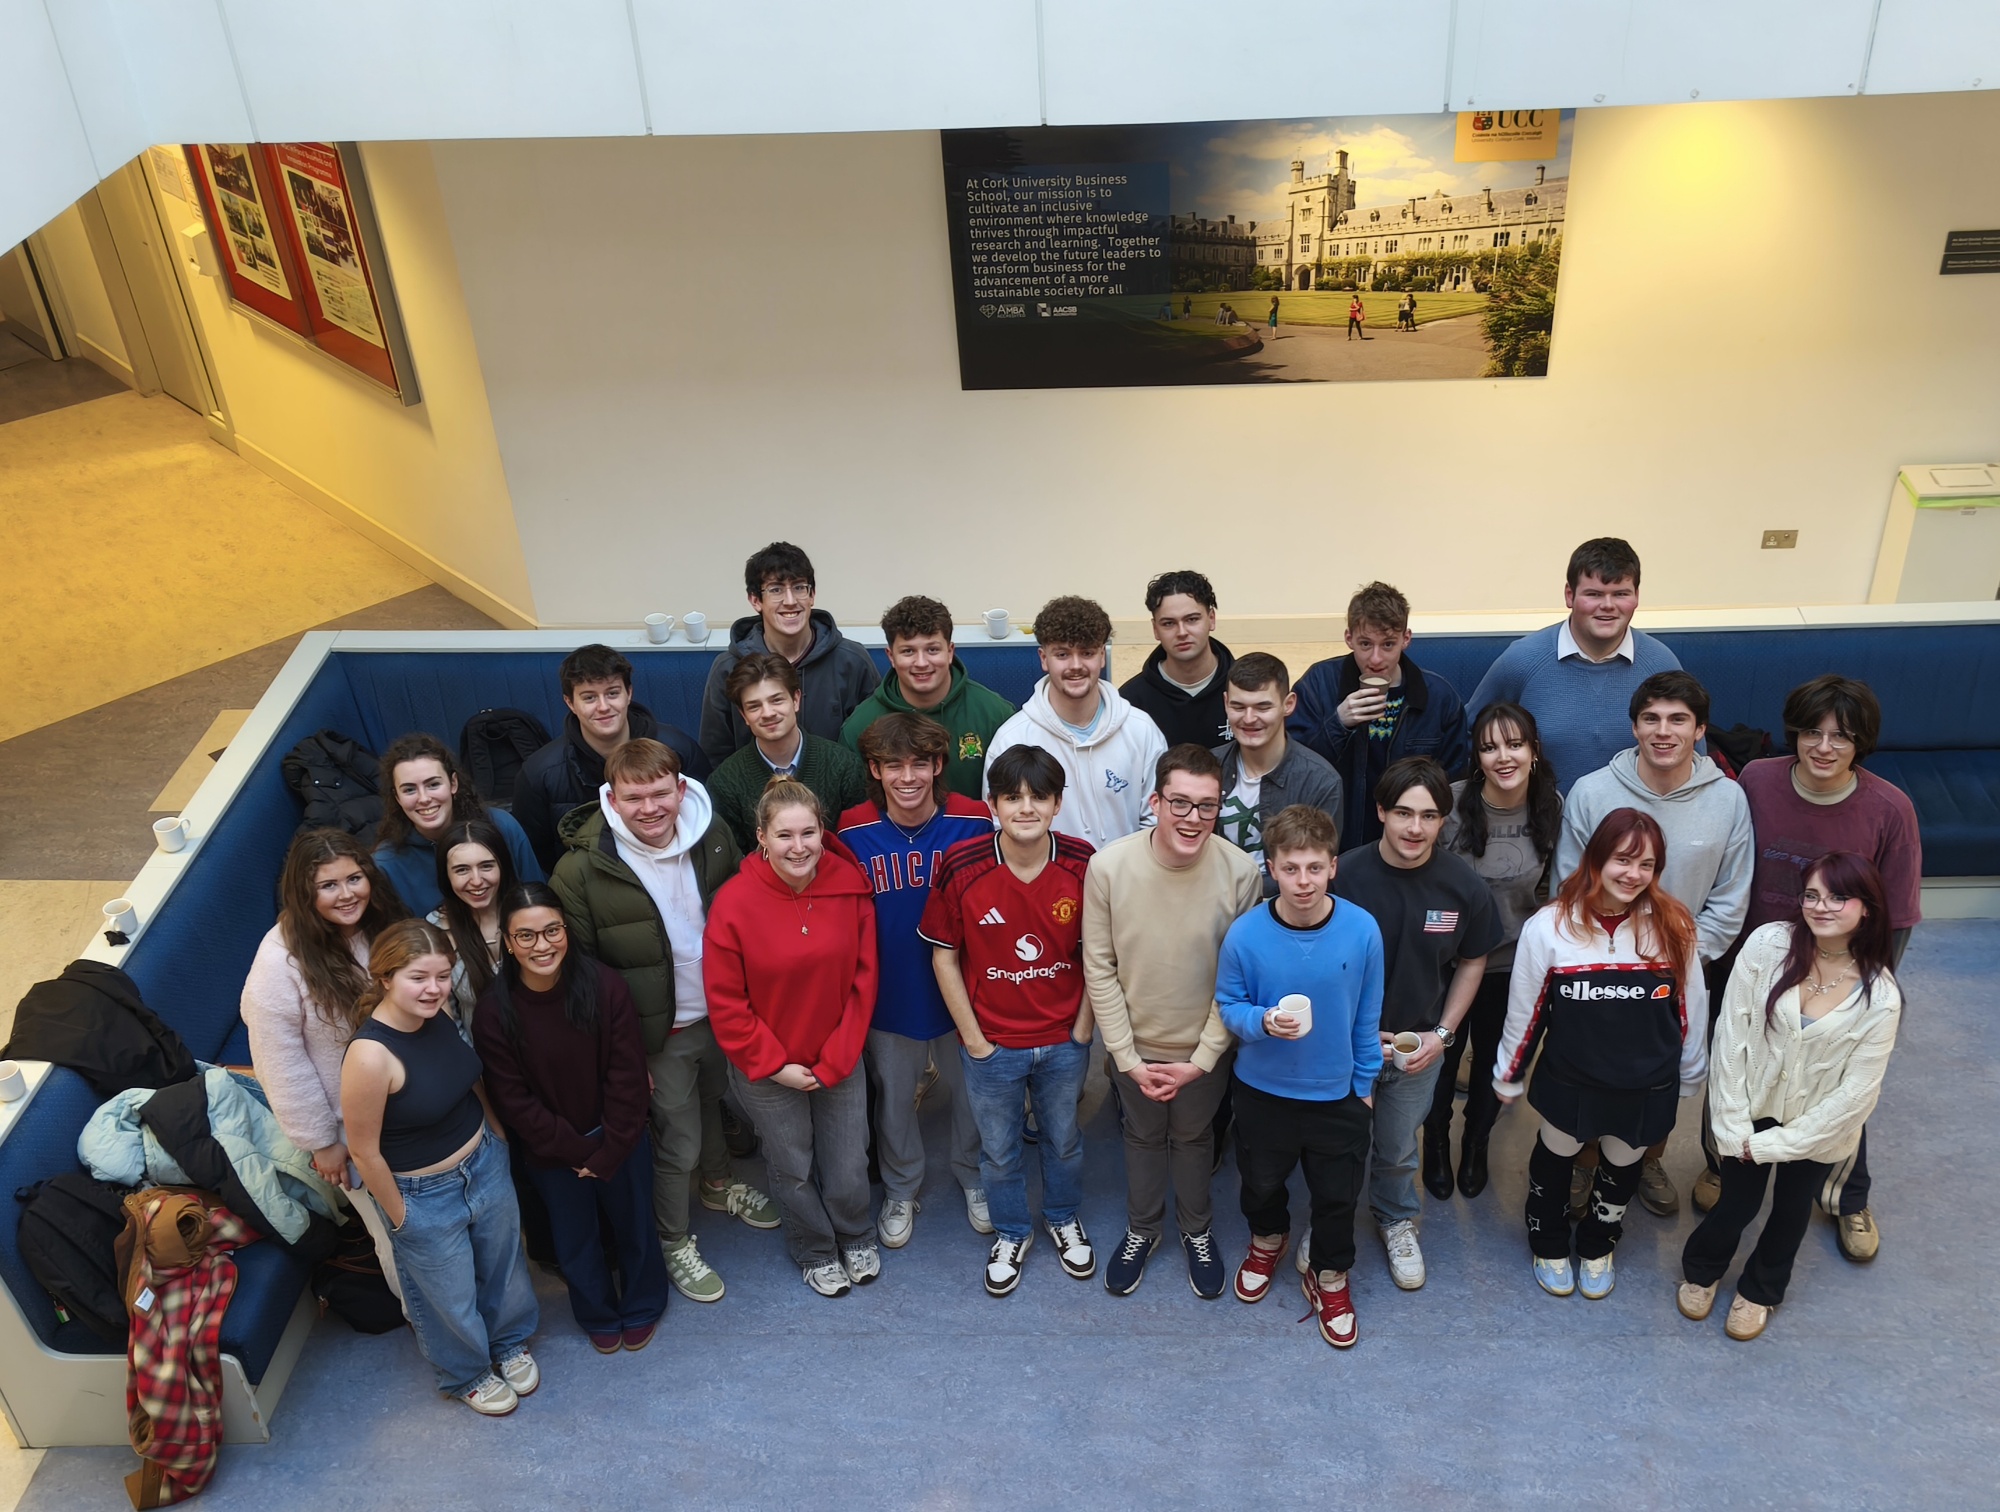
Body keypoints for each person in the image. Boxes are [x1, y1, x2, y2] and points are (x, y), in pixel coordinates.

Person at [549, 737, 777, 1306]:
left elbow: (743, 912)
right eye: (634, 798)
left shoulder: (712, 833)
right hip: (654, 1034)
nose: (649, 809)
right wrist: (620, 1056)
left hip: (721, 1013)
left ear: (680, 789)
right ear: (611, 799)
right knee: (679, 1142)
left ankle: (720, 1186)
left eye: (659, 794)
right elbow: (579, 976)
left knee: (713, 1104)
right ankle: (673, 1239)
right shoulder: (579, 869)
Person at [1721, 675, 1920, 1261]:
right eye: (1812, 732)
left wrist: (1864, 995)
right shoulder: (1757, 781)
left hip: (1840, 971)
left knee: (1834, 1086)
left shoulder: (1890, 809)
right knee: (1741, 1068)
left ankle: (1845, 1195)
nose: (1824, 747)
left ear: (1862, 743)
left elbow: (1898, 916)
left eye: (1842, 736)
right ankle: (1726, 1163)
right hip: (1758, 966)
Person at [1679, 853, 1902, 1340]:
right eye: (1812, 895)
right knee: (1737, 1204)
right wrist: (1733, 1126)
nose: (1821, 906)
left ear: (1867, 907)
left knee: (1791, 1209)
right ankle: (1701, 1268)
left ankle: (1761, 1290)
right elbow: (1731, 1036)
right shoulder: (1768, 944)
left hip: (1819, 1129)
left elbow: (1856, 1095)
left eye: (1839, 897)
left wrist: (1774, 1146)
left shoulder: (1881, 996)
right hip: (1750, 1109)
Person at [1556, 670, 1753, 1217]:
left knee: (1658, 1080)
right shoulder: (1593, 791)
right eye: (1651, 718)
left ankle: (1645, 1160)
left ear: (1700, 730)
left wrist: (1679, 962)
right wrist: (1603, 960)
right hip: (1597, 969)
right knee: (1591, 1071)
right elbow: (1569, 887)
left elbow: (1731, 898)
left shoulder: (1729, 800)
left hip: (1678, 971)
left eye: (1678, 720)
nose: (1663, 731)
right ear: (1634, 727)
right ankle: (1585, 1163)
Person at [1494, 808, 1709, 1301]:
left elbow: (1691, 1005)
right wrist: (1509, 1072)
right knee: (1557, 1156)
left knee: (1622, 1163)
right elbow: (1525, 1009)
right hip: (1571, 1078)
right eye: (1622, 860)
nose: (1633, 874)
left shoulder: (1675, 924)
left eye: (1646, 864)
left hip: (1646, 1083)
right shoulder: (1549, 926)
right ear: (1595, 859)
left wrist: (1692, 1070)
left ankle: (1598, 1244)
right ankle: (1547, 1242)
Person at [1084, 745, 1263, 1299]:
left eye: (1206, 806)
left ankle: (1196, 1229)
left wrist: (1203, 1059)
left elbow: (1238, 981)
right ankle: (1143, 1229)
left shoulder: (1240, 873)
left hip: (1203, 1049)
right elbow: (1099, 966)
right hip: (1133, 1047)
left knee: (1193, 1138)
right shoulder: (1108, 867)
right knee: (1140, 1137)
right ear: (1155, 802)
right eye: (1179, 803)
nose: (1192, 817)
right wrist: (1126, 1057)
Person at [340, 920, 539, 1416]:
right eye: (418, 978)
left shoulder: (438, 1016)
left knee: (504, 1267)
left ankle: (509, 1341)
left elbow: (468, 1079)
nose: (434, 989)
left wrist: (496, 1135)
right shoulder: (369, 1056)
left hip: (483, 1162)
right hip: (422, 1192)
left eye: (443, 976)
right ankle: (467, 1372)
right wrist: (401, 1216)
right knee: (448, 1295)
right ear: (385, 978)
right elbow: (364, 1151)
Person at [921, 745, 1098, 1297]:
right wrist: (975, 1042)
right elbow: (944, 957)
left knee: (1064, 1141)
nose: (1026, 808)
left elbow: (1100, 952)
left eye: (1039, 797)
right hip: (993, 1045)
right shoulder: (962, 864)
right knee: (998, 1151)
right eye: (1012, 797)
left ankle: (1063, 1217)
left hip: (1064, 1041)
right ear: (991, 804)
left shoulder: (1083, 862)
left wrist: (1083, 1030)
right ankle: (1012, 1231)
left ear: (1058, 804)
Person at [704, 776, 881, 1298]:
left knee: (849, 1161)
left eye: (808, 833)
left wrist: (838, 1057)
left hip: (838, 1057)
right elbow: (726, 1000)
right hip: (768, 1068)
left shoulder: (849, 887)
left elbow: (864, 980)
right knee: (792, 1167)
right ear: (761, 837)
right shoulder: (734, 903)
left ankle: (854, 1232)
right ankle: (814, 1247)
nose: (798, 847)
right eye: (784, 835)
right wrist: (774, 1065)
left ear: (823, 831)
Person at [473, 885, 668, 1354]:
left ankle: (643, 1302)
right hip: (553, 1151)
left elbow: (627, 1074)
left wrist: (609, 1148)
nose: (542, 945)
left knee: (636, 1226)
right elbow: (512, 1099)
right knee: (575, 1240)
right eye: (526, 936)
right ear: (508, 943)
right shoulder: (494, 1012)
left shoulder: (606, 986)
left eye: (552, 931)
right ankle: (597, 1313)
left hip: (619, 1137)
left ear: (566, 930)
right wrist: (577, 1151)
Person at [1215, 805, 1383, 1349]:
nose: (1303, 881)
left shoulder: (1362, 930)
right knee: (1260, 1182)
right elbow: (1228, 1004)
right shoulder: (1245, 934)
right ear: (1271, 869)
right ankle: (1269, 1239)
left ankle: (1330, 1275)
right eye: (1290, 869)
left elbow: (1367, 1016)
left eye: (1314, 867)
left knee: (1338, 1196)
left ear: (1333, 866)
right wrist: (1261, 1022)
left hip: (1339, 1093)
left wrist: (1364, 1085)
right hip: (1263, 1091)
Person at [1331, 756, 1500, 1290]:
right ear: (1381, 811)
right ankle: (1330, 1224)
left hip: (1415, 1048)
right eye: (1403, 812)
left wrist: (1443, 1035)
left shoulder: (1463, 886)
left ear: (1444, 820)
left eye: (1429, 816)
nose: (1414, 827)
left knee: (1399, 1146)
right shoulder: (1343, 875)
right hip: (1344, 1047)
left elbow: (1473, 959)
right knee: (1337, 1143)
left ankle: (1396, 1219)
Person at [836, 713, 995, 1247]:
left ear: (939, 765)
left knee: (972, 1094)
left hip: (963, 992)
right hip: (889, 992)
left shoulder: (975, 820)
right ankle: (902, 1187)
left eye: (920, 764)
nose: (908, 777)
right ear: (874, 770)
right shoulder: (851, 829)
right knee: (895, 1099)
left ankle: (973, 1175)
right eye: (894, 765)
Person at [242, 828, 411, 1293]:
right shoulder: (278, 963)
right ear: (304, 892)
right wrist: (322, 1142)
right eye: (328, 885)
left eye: (354, 878)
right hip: (350, 1127)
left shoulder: (381, 920)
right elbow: (280, 1064)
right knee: (398, 1236)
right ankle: (427, 1321)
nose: (347, 894)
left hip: (410, 1103)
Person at [1424, 702, 1563, 1200]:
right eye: (1489, 747)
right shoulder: (1452, 804)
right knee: (1440, 1063)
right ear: (1476, 757)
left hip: (1512, 966)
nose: (1503, 757)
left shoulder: (1553, 805)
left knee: (1494, 1064)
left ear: (1534, 750)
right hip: (1448, 963)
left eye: (1514, 744)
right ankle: (1435, 1143)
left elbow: (1557, 890)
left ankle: (1476, 1143)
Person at [1467, 537, 1686, 794]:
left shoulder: (1661, 664)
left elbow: (1690, 754)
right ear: (1569, 595)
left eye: (1621, 594)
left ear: (1637, 596)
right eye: (1593, 594)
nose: (1607, 605)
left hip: (1638, 817)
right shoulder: (1522, 660)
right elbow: (1470, 733)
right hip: (1543, 816)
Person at [1289, 582, 1469, 851]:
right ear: (1349, 638)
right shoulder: (1318, 683)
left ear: (1406, 639)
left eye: (1388, 645)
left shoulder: (1439, 698)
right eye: (1365, 644)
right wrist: (1338, 723)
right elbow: (1293, 769)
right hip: (1333, 844)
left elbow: (1454, 785)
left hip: (1410, 846)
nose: (1375, 659)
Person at [986, 595, 1167, 845]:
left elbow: (1157, 819)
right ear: (1043, 658)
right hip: (1046, 871)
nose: (1076, 665)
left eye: (1087, 653)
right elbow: (1001, 827)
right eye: (1062, 654)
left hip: (1125, 870)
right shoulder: (1011, 739)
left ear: (1102, 656)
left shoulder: (1141, 730)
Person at [513, 642, 709, 873]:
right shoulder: (540, 773)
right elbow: (537, 857)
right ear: (570, 703)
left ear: (629, 693)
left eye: (613, 693)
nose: (603, 707)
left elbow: (706, 820)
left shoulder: (678, 749)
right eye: (589, 698)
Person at [697, 541, 881, 766]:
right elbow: (716, 754)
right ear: (755, 600)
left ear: (812, 595)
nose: (791, 601)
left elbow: (876, 741)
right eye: (775, 590)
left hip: (840, 785)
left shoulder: (852, 660)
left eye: (799, 587)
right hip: (756, 787)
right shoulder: (727, 668)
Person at [838, 594, 1016, 801]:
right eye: (908, 651)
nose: (921, 663)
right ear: (891, 656)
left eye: (932, 650)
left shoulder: (995, 714)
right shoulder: (859, 726)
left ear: (950, 652)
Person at [710, 652, 867, 856]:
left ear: (795, 700)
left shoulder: (844, 766)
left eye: (776, 700)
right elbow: (735, 861)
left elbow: (859, 847)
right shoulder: (725, 783)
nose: (768, 713)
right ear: (743, 715)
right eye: (754, 706)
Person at [373, 733, 543, 916]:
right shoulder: (386, 864)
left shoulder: (502, 827)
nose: (424, 798)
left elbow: (539, 902)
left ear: (453, 783)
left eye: (433, 784)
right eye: (409, 790)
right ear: (397, 797)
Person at [1215, 652, 1344, 890]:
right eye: (1238, 707)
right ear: (1225, 703)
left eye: (1263, 707)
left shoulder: (1321, 782)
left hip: (1283, 905)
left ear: (1288, 704)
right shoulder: (1209, 768)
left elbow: (1316, 870)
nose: (1249, 719)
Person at [1120, 569, 1235, 750]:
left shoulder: (1245, 689)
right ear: (1155, 629)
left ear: (1211, 619)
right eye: (1169, 623)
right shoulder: (1130, 703)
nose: (1182, 632)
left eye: (1192, 619)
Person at [425, 819, 518, 1035]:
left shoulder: (529, 913)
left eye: (486, 866)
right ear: (446, 876)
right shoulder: (435, 930)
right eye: (462, 870)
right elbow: (449, 1022)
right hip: (477, 1051)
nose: (476, 880)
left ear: (502, 866)